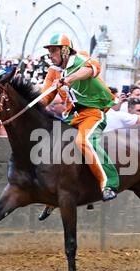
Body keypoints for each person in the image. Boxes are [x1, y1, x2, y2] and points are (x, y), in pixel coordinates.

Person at [38, 33, 119, 220]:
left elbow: (92, 70)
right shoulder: (53, 72)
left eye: (53, 50)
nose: (50, 54)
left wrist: (69, 78)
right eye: (49, 51)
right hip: (72, 116)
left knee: (84, 141)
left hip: (92, 112)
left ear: (65, 50)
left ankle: (108, 184)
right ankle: (52, 199)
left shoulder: (81, 59)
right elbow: (45, 97)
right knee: (52, 148)